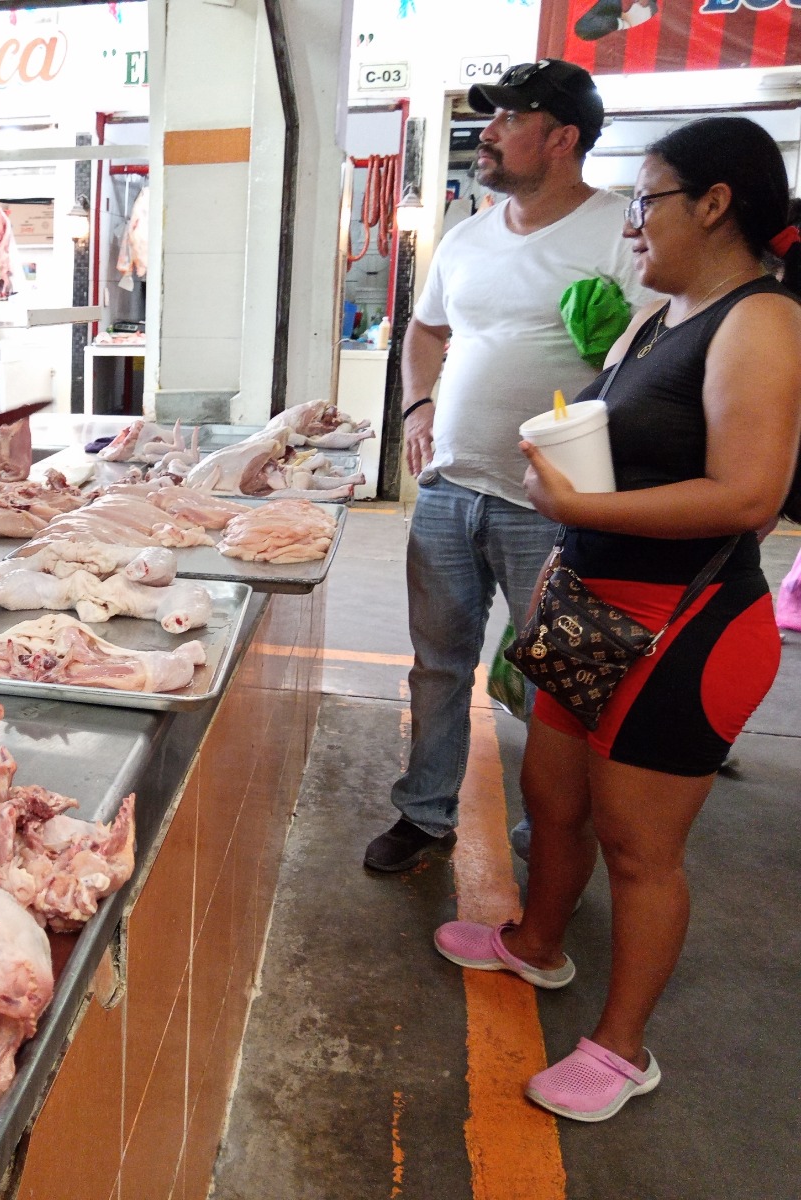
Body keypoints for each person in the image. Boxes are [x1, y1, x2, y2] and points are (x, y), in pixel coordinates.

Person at [434, 116, 801, 1121]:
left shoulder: (760, 321)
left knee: (640, 846)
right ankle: (536, 943)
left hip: (685, 624)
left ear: (714, 203)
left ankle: (620, 1046)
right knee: (551, 796)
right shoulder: (661, 317)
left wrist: (579, 510)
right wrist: (564, 542)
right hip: (591, 601)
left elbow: (746, 496)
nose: (631, 224)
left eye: (645, 201)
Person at [364, 60, 653, 872]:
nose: (485, 134)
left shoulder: (619, 234)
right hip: (452, 490)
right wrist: (418, 407)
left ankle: (550, 833)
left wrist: (613, 354)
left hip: (556, 503)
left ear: (562, 138)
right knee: (438, 666)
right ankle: (424, 814)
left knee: (559, 684)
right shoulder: (469, 235)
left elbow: (664, 354)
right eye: (487, 119)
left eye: (509, 118)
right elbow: (425, 332)